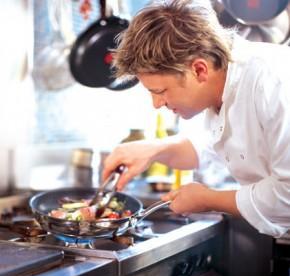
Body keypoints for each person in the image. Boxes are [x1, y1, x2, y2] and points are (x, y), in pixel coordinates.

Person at [102, 0, 290, 238]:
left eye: (160, 92)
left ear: (199, 70)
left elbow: (288, 194)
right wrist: (152, 150)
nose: (156, 104)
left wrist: (208, 199)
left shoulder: (274, 81)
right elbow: (207, 147)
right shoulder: (220, 86)